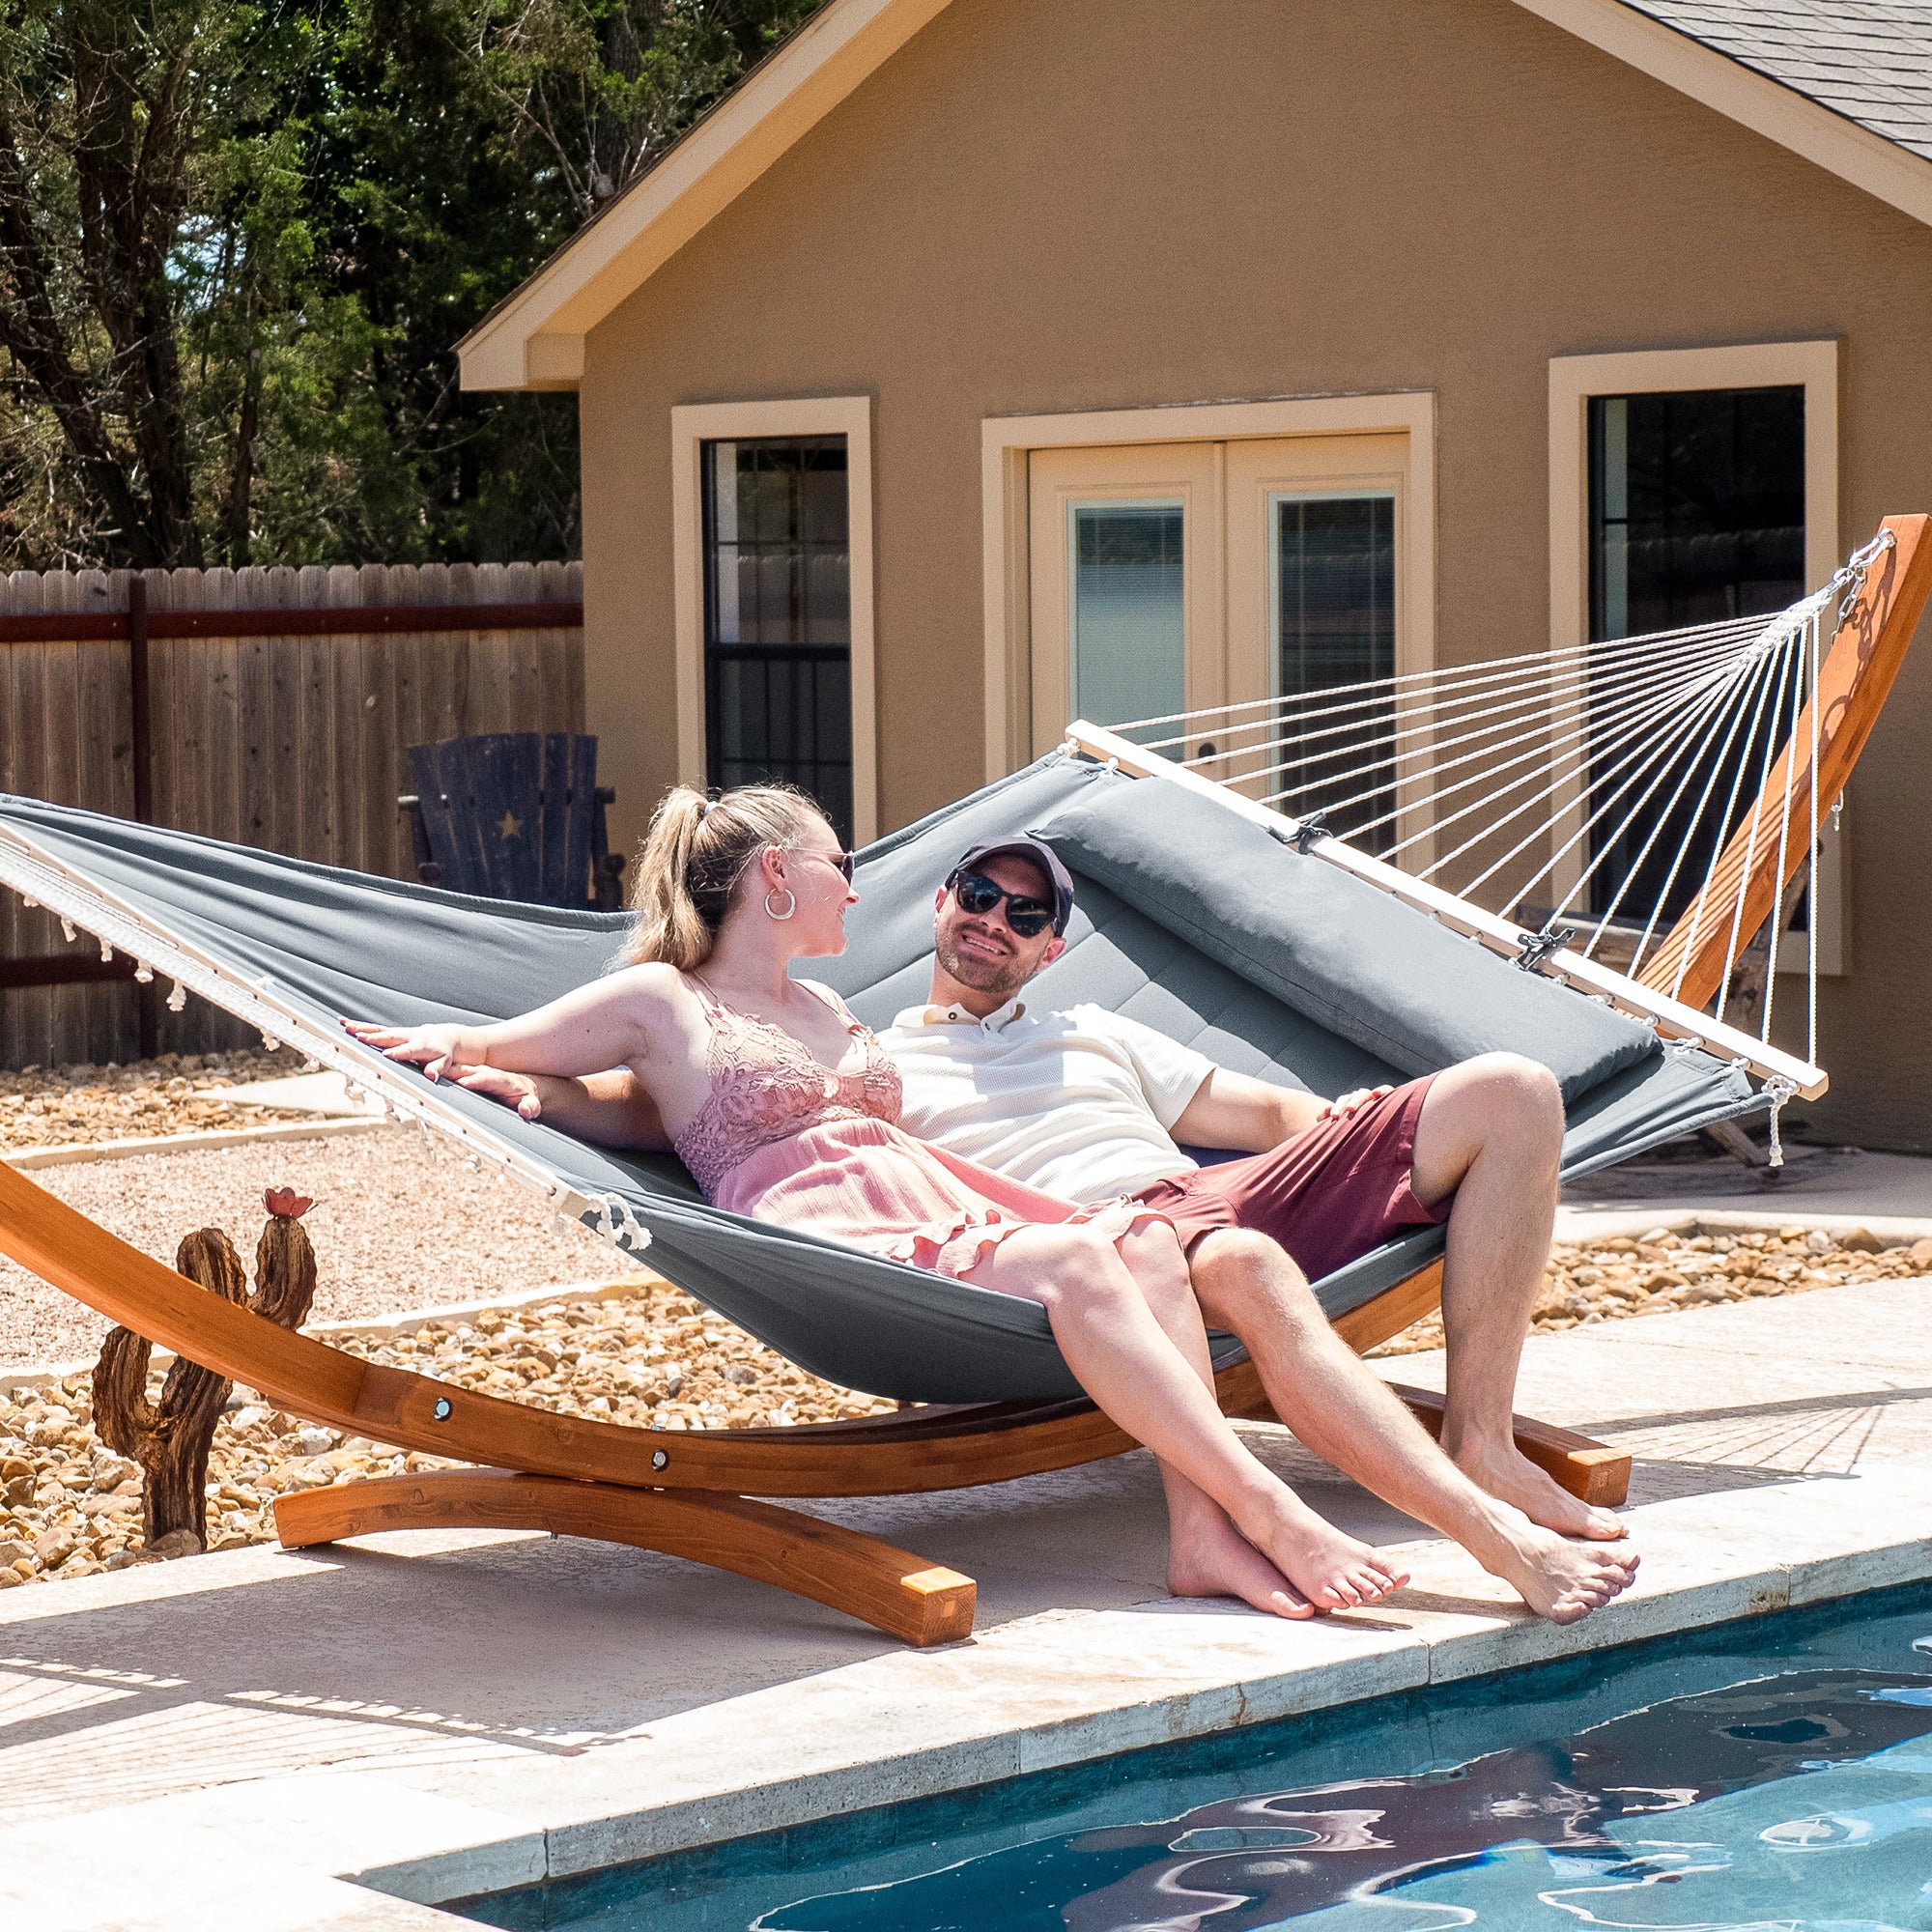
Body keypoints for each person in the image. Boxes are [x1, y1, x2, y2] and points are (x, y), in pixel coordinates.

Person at [352, 784, 1636, 1625]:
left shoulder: (839, 1016)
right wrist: (507, 1083)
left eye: (1026, 914)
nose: (880, 894)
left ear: (1050, 948)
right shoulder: (696, 1003)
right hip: (860, 1236)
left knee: (1138, 1237)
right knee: (1134, 1255)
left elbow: (699, 1102)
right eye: (862, 871)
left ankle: (1223, 1524)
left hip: (975, 1203)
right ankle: (1273, 1504)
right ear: (784, 878)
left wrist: (1390, 1169)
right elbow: (579, 1070)